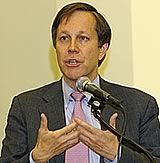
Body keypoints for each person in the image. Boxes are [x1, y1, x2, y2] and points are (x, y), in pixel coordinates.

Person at [0, 2, 160, 163]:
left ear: (102, 49)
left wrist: (117, 154)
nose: (72, 47)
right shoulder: (25, 106)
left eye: (82, 38)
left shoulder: (138, 106)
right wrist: (35, 158)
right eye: (64, 38)